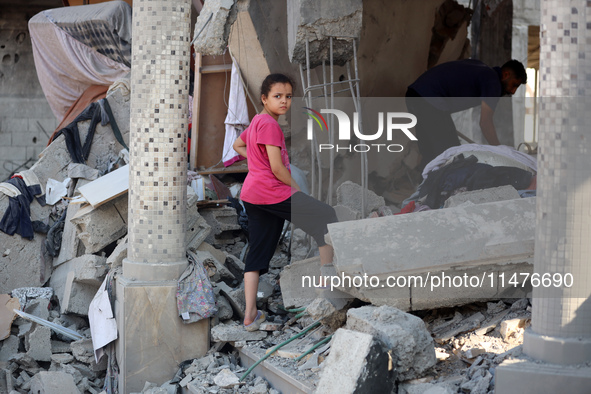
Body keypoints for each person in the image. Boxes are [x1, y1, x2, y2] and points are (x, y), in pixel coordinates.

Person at [233, 73, 338, 332]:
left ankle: (250, 316)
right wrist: (297, 188)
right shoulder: (270, 125)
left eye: (288, 97)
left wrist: (257, 164)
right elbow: (278, 168)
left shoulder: (257, 121)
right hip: (272, 192)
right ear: (264, 98)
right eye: (277, 96)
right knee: (326, 216)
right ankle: (329, 288)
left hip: (252, 195)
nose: (284, 102)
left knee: (257, 252)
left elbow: (238, 145)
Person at [405, 59, 527, 169]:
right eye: (514, 85)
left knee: (431, 153)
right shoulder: (492, 81)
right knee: (453, 156)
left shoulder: (483, 70)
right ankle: (445, 192)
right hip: (429, 99)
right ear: (506, 75)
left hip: (414, 94)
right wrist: (502, 152)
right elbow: (485, 123)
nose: (513, 91)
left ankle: (423, 191)